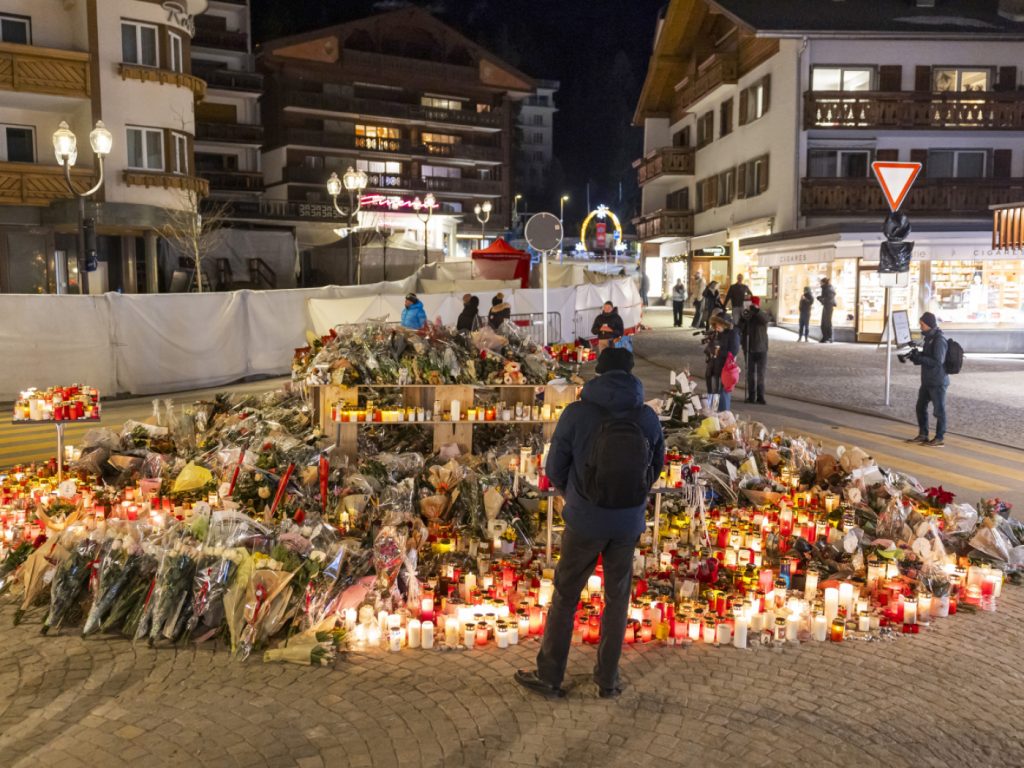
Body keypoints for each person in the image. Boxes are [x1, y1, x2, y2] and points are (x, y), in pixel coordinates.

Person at [515, 347, 665, 699]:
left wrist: (573, 494)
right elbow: (656, 465)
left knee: (566, 596)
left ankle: (550, 676)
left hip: (585, 520)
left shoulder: (578, 412)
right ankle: (607, 680)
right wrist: (631, 498)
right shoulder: (646, 416)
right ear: (631, 374)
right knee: (617, 599)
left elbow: (555, 468)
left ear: (599, 373)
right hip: (627, 523)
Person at [903, 312, 949, 447]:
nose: (920, 327)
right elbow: (927, 356)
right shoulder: (929, 338)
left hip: (937, 381)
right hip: (927, 381)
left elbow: (937, 361)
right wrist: (916, 356)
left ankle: (939, 438)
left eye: (922, 324)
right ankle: (923, 434)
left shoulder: (939, 340)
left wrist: (920, 358)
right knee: (920, 407)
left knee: (939, 411)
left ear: (929, 324)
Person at [741, 296, 771, 404]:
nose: (752, 307)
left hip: (761, 349)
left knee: (761, 374)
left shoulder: (761, 314)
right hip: (749, 349)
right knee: (750, 374)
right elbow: (741, 329)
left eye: (754, 305)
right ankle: (751, 396)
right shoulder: (747, 315)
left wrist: (757, 311)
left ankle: (760, 396)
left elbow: (766, 319)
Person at [709, 313, 740, 412]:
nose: (716, 326)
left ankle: (724, 414)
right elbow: (712, 347)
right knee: (715, 392)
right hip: (717, 366)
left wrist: (719, 352)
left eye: (718, 324)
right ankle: (715, 413)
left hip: (727, 368)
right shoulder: (718, 334)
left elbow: (733, 352)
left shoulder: (733, 334)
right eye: (715, 324)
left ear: (724, 324)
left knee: (724, 392)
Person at [817, 277, 836, 343]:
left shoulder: (827, 288)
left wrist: (820, 299)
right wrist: (821, 298)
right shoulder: (829, 288)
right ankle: (827, 338)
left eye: (821, 282)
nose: (820, 284)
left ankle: (827, 338)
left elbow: (827, 299)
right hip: (828, 306)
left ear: (824, 282)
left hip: (828, 306)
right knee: (826, 322)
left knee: (825, 323)